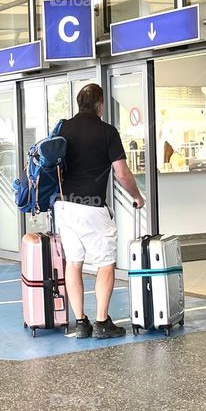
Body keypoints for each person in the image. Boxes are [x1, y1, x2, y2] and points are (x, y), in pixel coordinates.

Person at [54, 83, 144, 340]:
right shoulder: (107, 132)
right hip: (92, 207)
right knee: (105, 264)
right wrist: (137, 196)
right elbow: (122, 173)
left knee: (74, 262)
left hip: (64, 206)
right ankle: (102, 322)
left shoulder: (65, 128)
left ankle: (81, 322)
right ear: (100, 105)